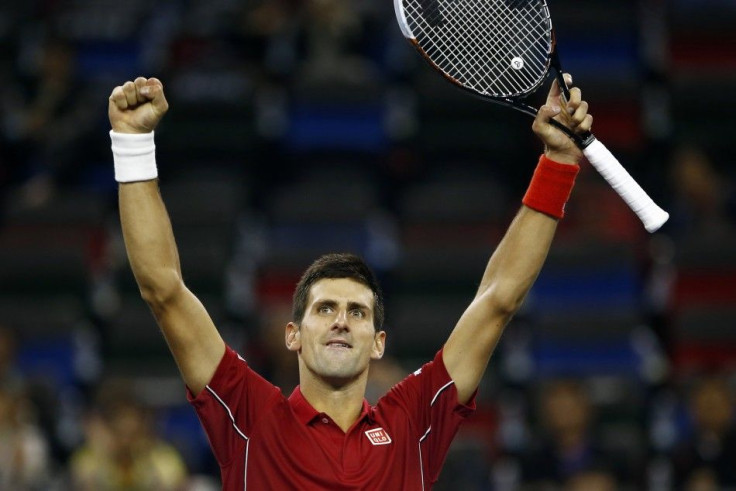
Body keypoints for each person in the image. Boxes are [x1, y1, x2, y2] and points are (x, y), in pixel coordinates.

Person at [107, 74, 592, 489]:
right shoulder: (250, 416)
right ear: (292, 335)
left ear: (378, 343)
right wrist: (132, 143)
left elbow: (497, 299)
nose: (341, 321)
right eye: (324, 309)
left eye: (357, 312)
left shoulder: (413, 422)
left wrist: (558, 162)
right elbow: (163, 290)